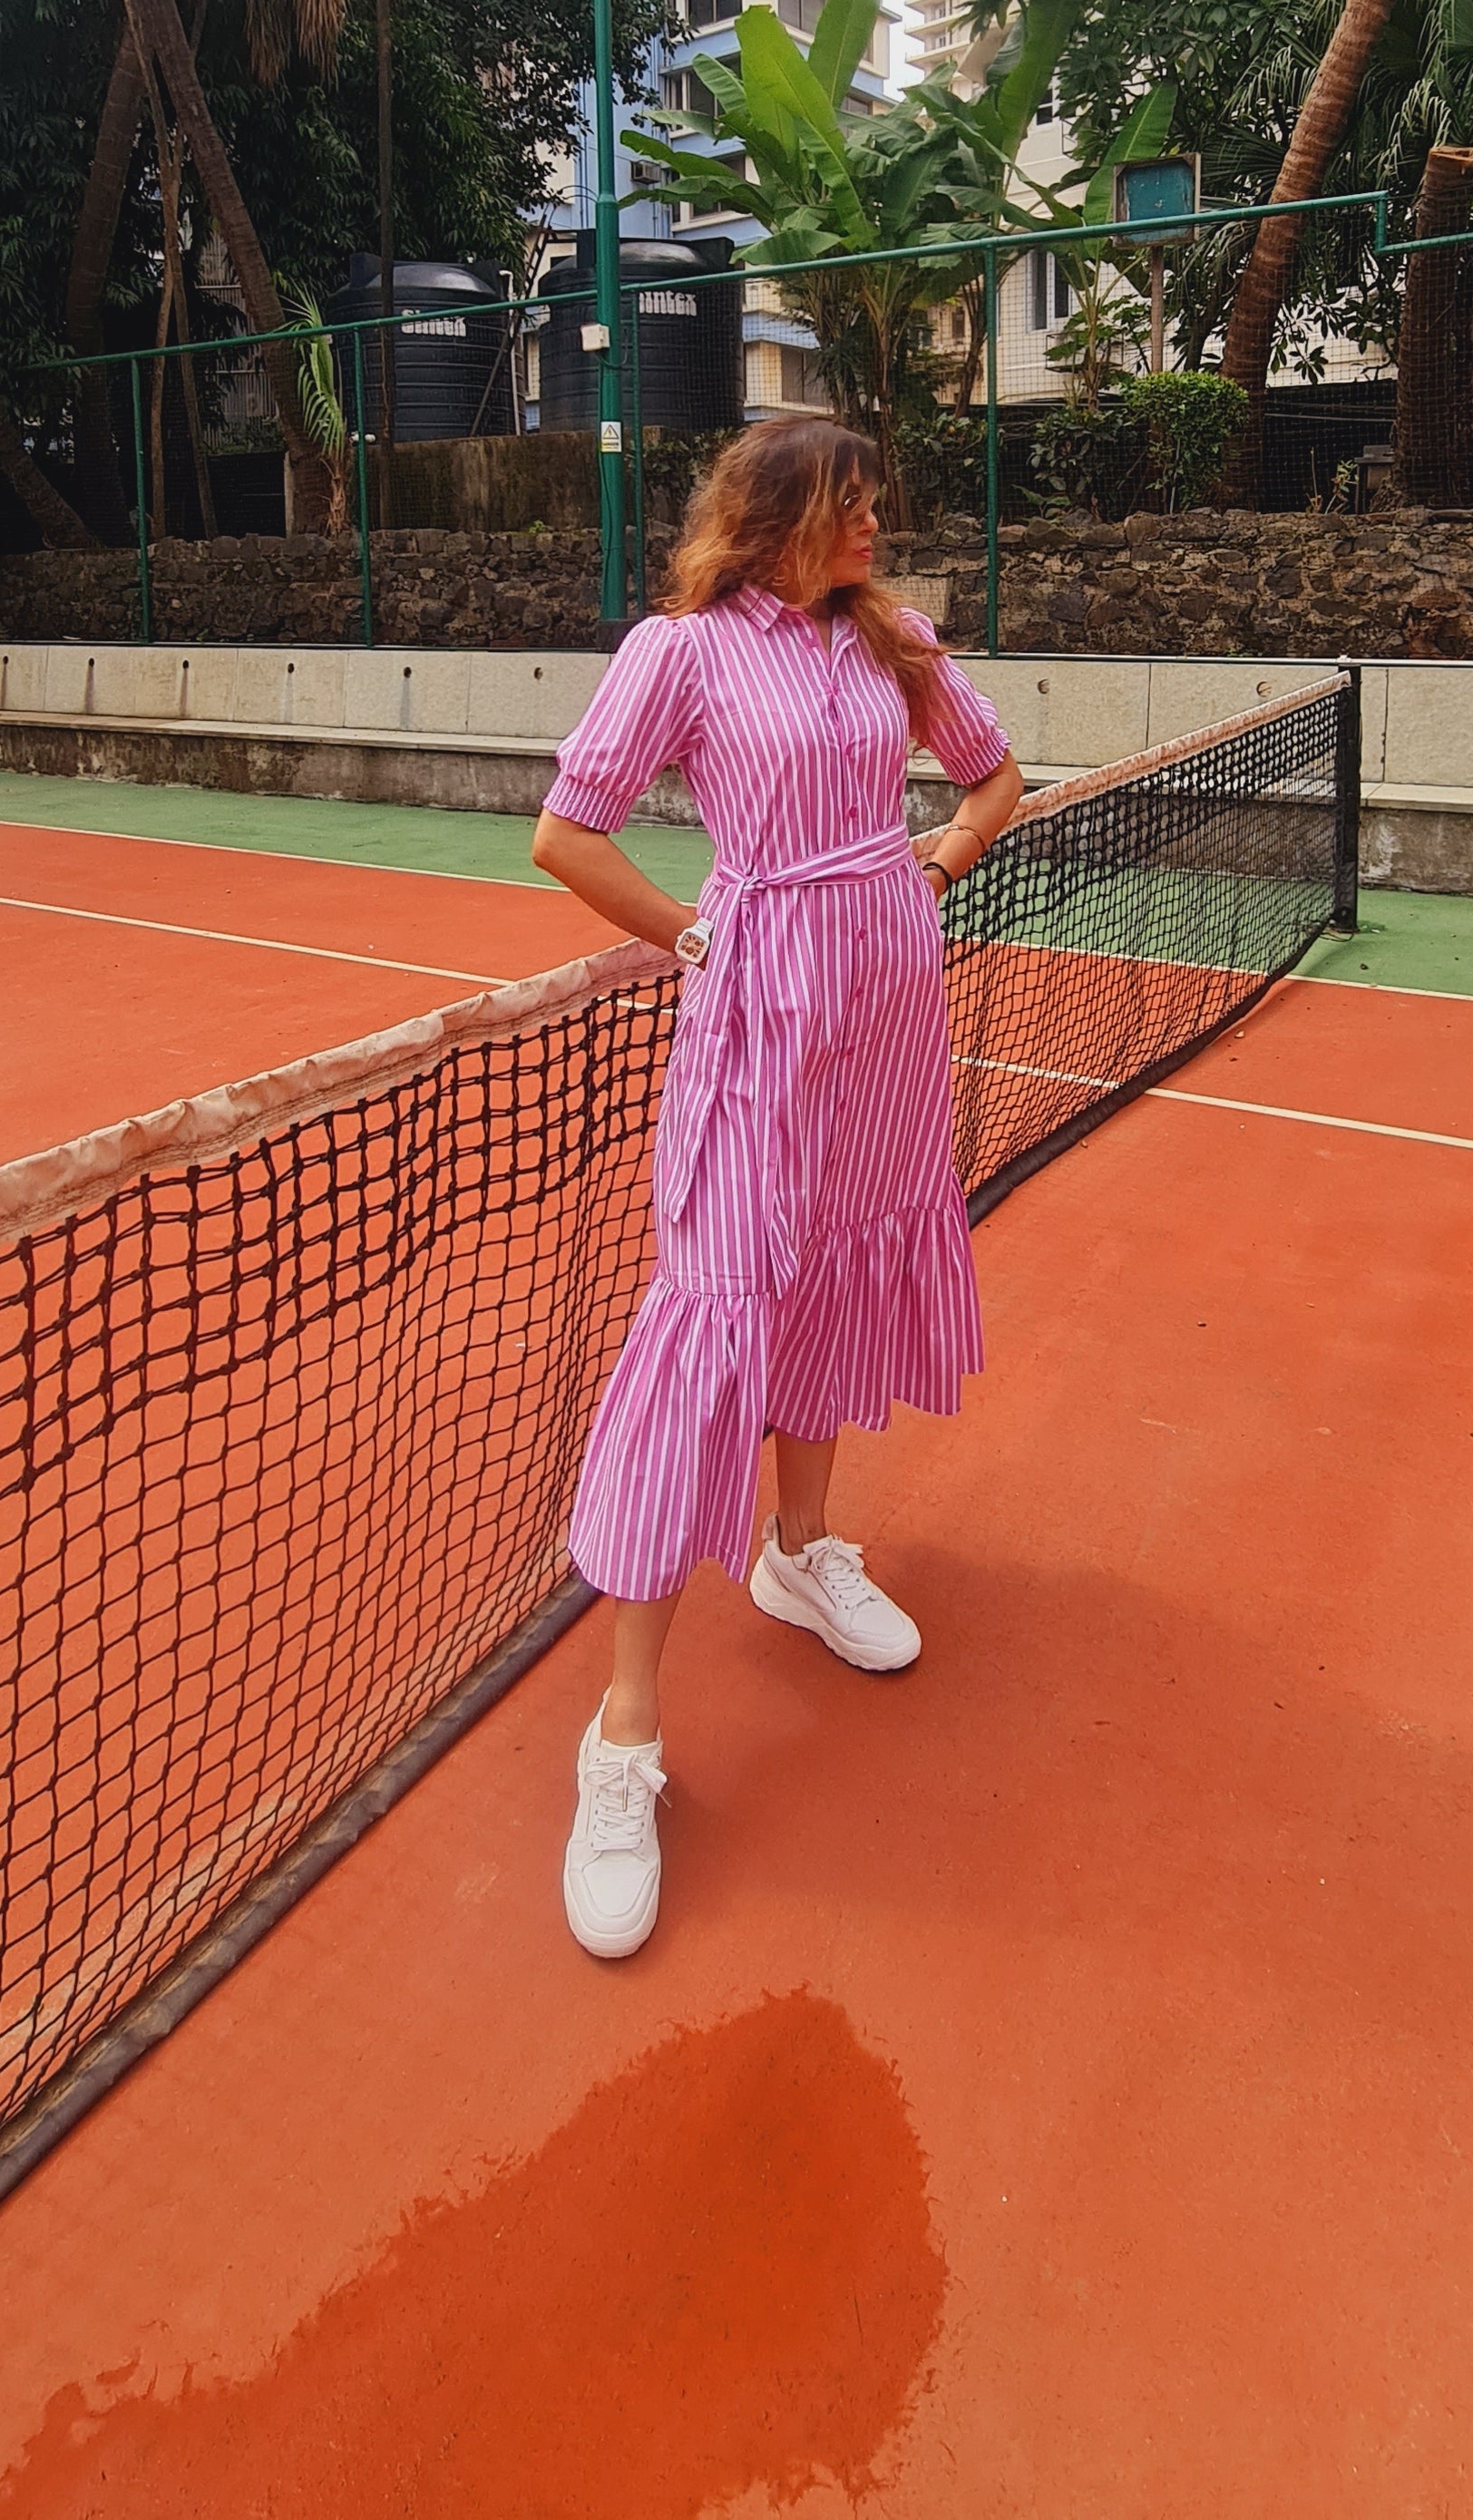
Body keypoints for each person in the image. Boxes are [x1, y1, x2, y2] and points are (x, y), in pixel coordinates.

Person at [532, 413, 1022, 1959]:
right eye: (850, 505)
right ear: (775, 517)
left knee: (835, 1272)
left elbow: (994, 778)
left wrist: (934, 860)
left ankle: (800, 1553)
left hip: (890, 1007)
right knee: (719, 1309)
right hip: (757, 1016)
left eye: (876, 503)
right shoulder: (678, 654)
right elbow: (566, 835)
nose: (875, 524)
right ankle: (624, 1732)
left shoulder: (896, 642)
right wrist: (695, 934)